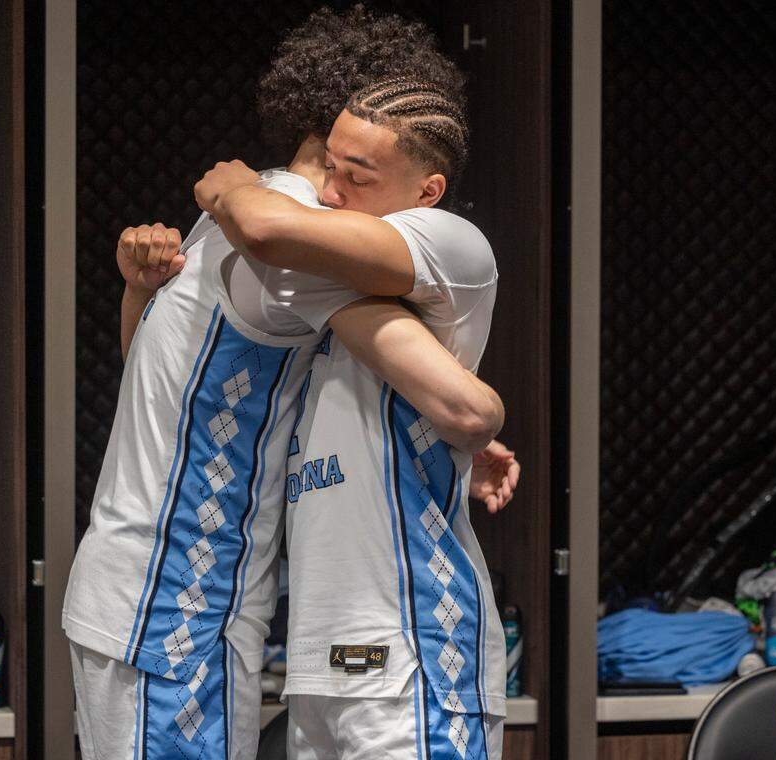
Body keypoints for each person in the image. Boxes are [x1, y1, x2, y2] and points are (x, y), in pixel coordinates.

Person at [63, 7, 514, 759]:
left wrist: (143, 287)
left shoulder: (240, 220)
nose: (340, 189)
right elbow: (461, 398)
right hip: (178, 606)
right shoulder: (285, 228)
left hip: (140, 590)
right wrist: (480, 419)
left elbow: (157, 366)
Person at [195, 76, 513, 759]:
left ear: (426, 190)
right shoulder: (329, 282)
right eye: (329, 168)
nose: (331, 192)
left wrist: (232, 187)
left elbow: (268, 227)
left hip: (413, 652)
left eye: (358, 177)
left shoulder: (448, 240)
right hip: (318, 661)